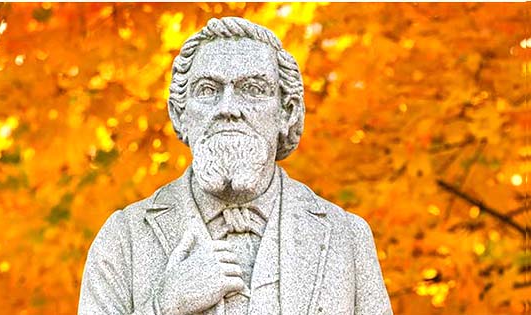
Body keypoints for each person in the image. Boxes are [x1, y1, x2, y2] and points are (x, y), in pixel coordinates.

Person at [78, 17, 392, 315]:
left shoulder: (345, 237)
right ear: (179, 114)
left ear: (287, 113)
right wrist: (166, 304)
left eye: (253, 89)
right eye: (208, 90)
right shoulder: (124, 237)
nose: (228, 108)